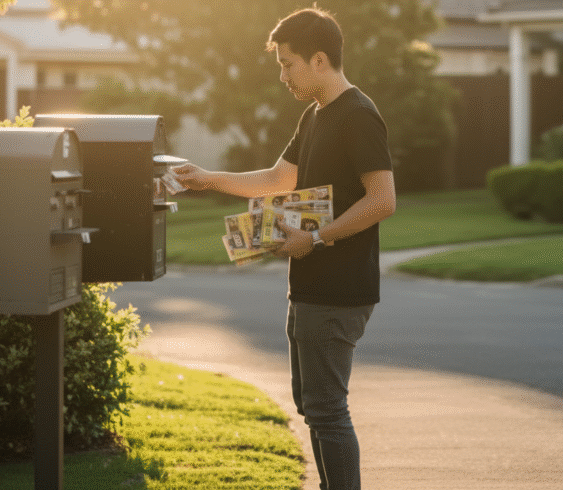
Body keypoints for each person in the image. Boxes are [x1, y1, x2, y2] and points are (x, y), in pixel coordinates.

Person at [171, 7, 395, 490]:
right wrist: (207, 179)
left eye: (287, 63)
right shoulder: (316, 115)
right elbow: (276, 180)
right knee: (314, 407)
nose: (282, 75)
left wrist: (313, 238)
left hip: (340, 289)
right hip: (311, 287)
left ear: (319, 60)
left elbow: (383, 200)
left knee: (328, 411)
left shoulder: (358, 115)